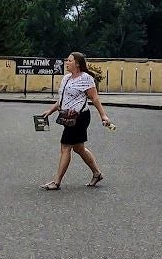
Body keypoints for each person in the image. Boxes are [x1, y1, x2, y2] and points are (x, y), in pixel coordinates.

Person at [40, 52, 112, 190]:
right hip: (67, 117)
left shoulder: (86, 79)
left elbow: (95, 98)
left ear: (77, 63)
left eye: (69, 60)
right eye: (67, 60)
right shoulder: (66, 78)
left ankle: (56, 182)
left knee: (65, 147)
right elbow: (63, 100)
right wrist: (50, 110)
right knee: (79, 148)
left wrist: (103, 116)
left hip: (79, 117)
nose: (66, 62)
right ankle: (97, 173)